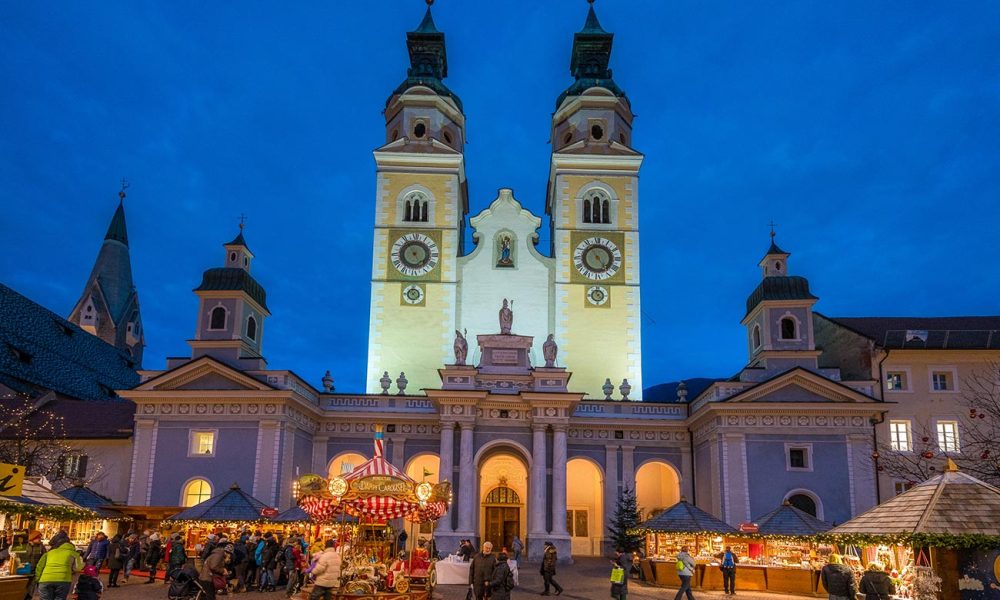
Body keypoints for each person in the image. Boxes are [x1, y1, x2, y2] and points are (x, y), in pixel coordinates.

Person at [34, 530, 83, 600]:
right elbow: (78, 568)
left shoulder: (49, 553)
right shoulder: (73, 553)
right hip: (63, 580)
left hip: (45, 580)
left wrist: (38, 579)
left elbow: (39, 566)